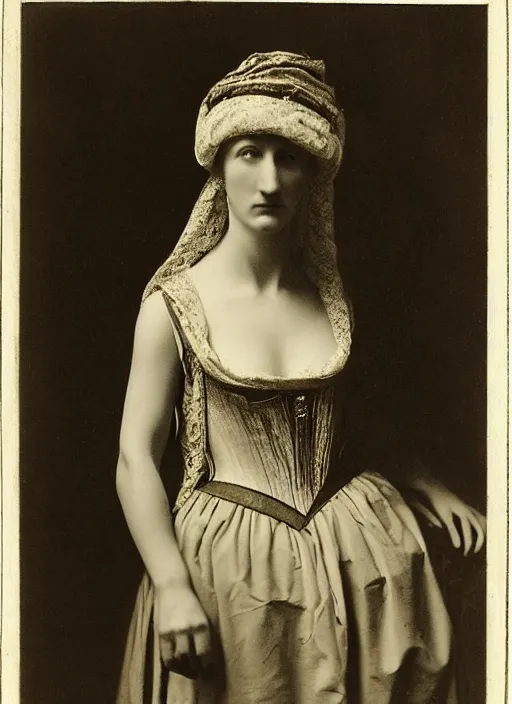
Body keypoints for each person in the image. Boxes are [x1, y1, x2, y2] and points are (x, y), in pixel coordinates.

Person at [115, 52, 486, 704]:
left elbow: (355, 425)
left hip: (356, 560)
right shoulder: (173, 306)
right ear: (219, 165)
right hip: (231, 574)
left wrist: (428, 485)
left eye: (289, 158)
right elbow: (134, 460)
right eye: (250, 153)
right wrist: (172, 584)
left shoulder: (331, 299)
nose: (269, 180)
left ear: (313, 174)